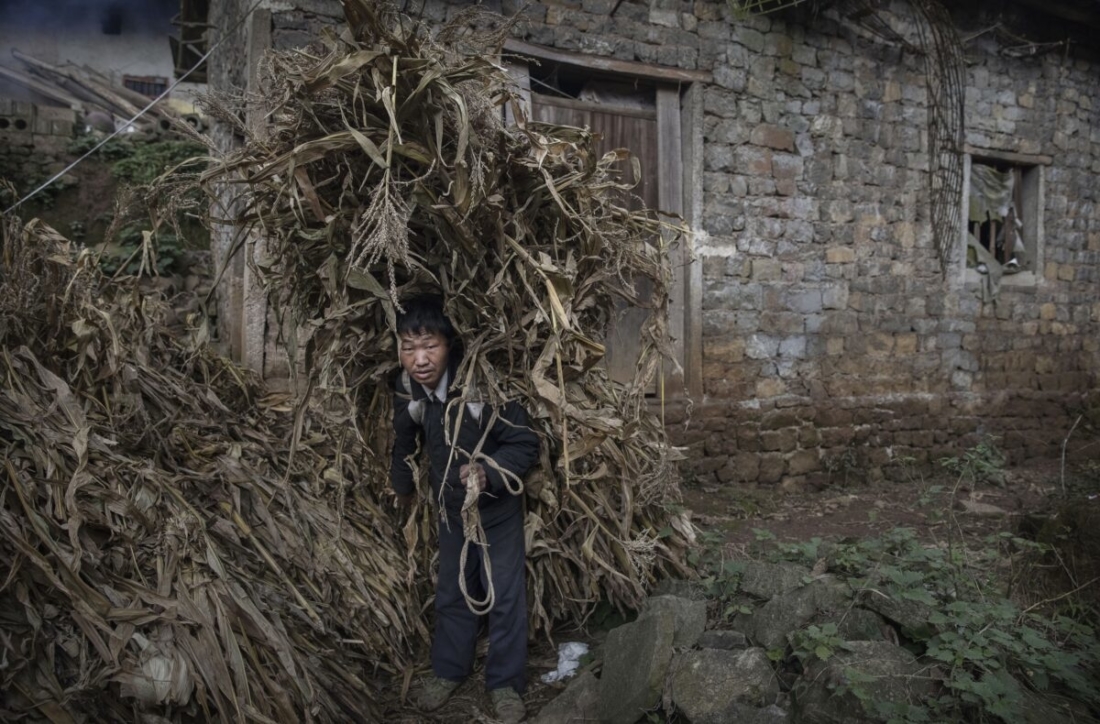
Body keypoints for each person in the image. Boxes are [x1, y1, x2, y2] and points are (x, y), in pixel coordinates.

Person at [390, 295, 539, 723]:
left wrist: (487, 471)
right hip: (450, 510)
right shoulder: (409, 392)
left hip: (496, 508)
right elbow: (404, 442)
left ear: (449, 345)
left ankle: (506, 685)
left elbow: (525, 442)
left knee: (505, 595)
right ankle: (448, 671)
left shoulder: (479, 388)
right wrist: (402, 487)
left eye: (429, 346)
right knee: (452, 591)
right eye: (408, 347)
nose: (419, 359)